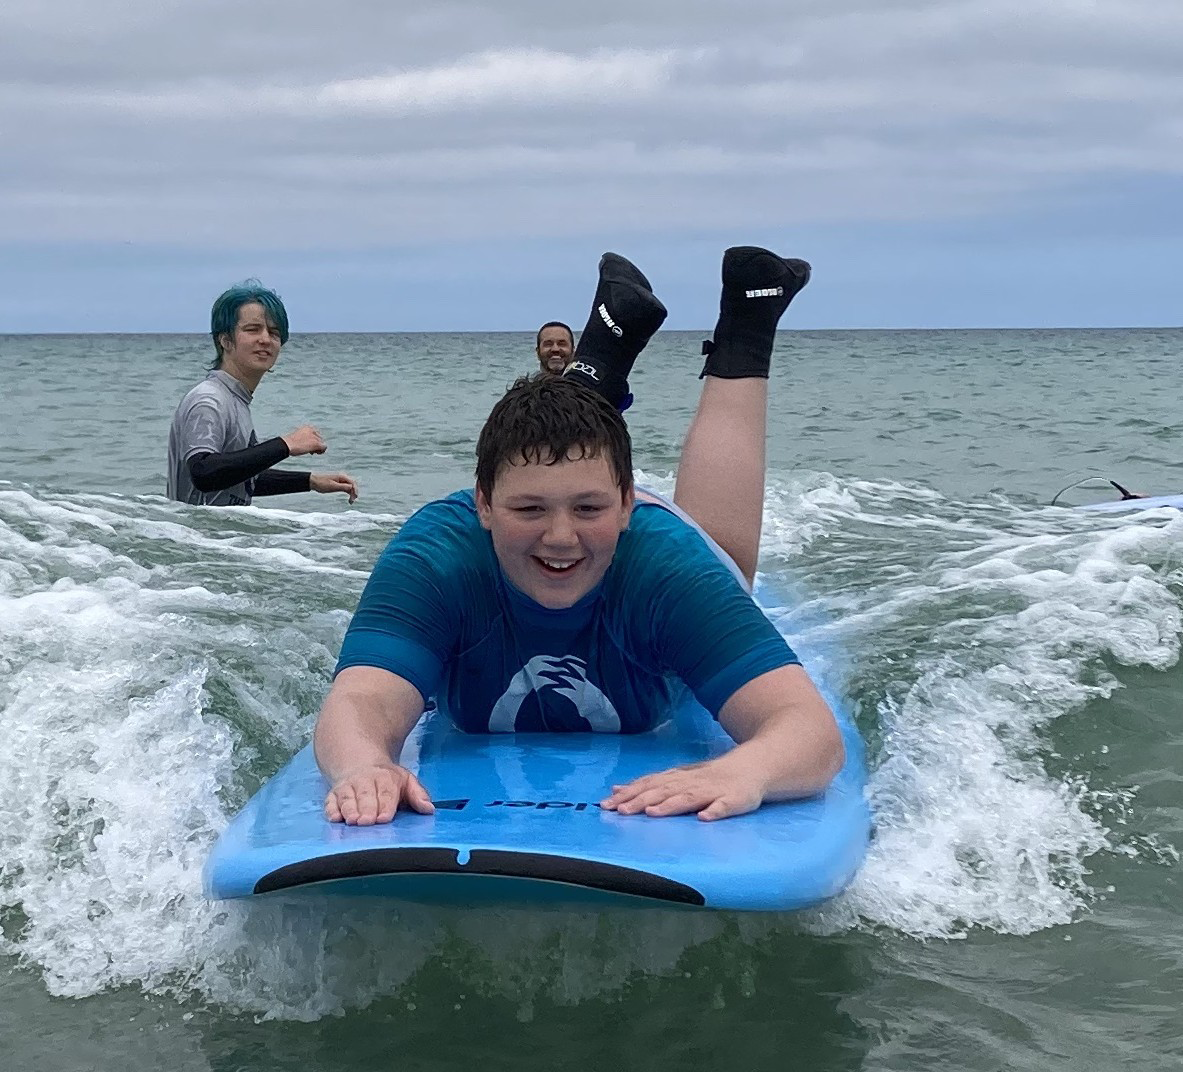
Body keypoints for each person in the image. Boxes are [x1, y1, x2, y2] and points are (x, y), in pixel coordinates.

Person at [314, 246, 842, 825]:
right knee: (571, 464)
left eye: (591, 507)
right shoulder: (436, 559)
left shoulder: (666, 568)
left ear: (628, 504)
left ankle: (747, 320)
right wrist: (362, 763)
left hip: (656, 557)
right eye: (529, 508)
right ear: (483, 504)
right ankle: (607, 346)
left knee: (729, 570)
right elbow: (359, 700)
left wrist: (743, 771)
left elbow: (811, 733)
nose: (561, 537)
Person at [166, 281, 359, 507]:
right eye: (252, 329)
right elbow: (204, 472)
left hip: (217, 538)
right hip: (193, 536)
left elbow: (238, 480)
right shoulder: (209, 400)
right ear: (225, 340)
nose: (266, 339)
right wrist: (286, 444)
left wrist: (310, 481)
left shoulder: (235, 399)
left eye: (274, 332)